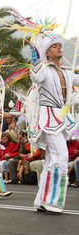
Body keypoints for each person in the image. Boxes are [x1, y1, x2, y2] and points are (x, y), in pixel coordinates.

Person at [28, 33, 79, 213]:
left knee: (52, 160)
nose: (59, 47)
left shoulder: (68, 71)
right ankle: (52, 201)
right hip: (48, 118)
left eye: (60, 45)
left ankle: (42, 200)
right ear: (47, 53)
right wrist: (35, 57)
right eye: (54, 46)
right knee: (61, 157)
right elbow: (35, 76)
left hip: (63, 119)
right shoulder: (44, 70)